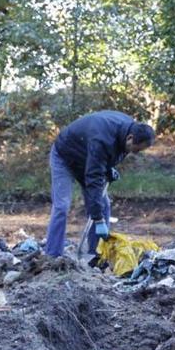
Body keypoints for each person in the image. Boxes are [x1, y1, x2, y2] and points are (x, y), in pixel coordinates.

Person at [43, 110, 155, 260]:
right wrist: (98, 219)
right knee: (62, 206)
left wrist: (108, 168)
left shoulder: (129, 128)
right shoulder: (102, 140)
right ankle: (52, 255)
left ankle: (95, 254)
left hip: (87, 158)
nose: (136, 153)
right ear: (130, 138)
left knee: (103, 204)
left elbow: (108, 155)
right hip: (64, 157)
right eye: (136, 149)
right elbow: (94, 178)